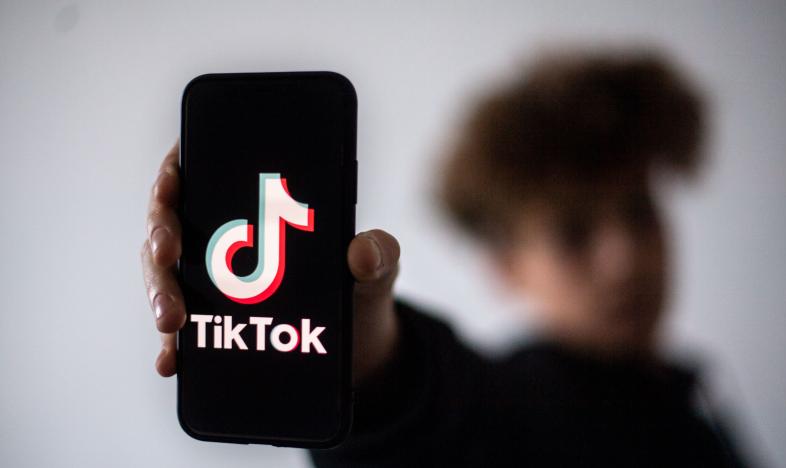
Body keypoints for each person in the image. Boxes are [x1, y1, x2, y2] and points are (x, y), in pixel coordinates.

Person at [141, 47, 753, 467]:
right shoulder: (520, 407)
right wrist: (367, 359)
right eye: (573, 233)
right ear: (505, 266)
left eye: (639, 212)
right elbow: (443, 419)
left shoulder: (685, 391)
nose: (624, 257)